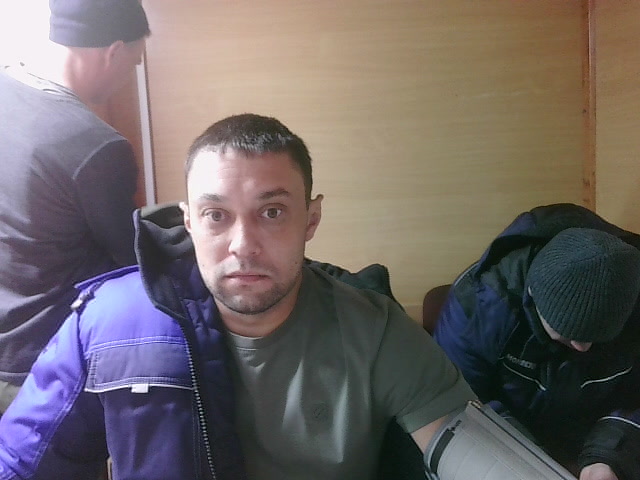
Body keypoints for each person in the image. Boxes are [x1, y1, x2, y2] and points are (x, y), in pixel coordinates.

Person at [0, 113, 477, 479]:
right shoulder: (109, 324)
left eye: (272, 212)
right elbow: (22, 463)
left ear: (310, 220)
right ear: (189, 222)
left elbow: (475, 455)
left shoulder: (375, 332)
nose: (243, 245)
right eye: (216, 215)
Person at [0, 0, 150, 412]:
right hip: (42, 363)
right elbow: (132, 259)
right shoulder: (94, 145)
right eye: (133, 62)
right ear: (113, 52)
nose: (128, 75)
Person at [433, 203, 640, 480]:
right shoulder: (479, 306)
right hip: (509, 437)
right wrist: (524, 462)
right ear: (533, 296)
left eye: (599, 337)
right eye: (569, 334)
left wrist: (612, 455)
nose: (583, 347)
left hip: (608, 437)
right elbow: (461, 401)